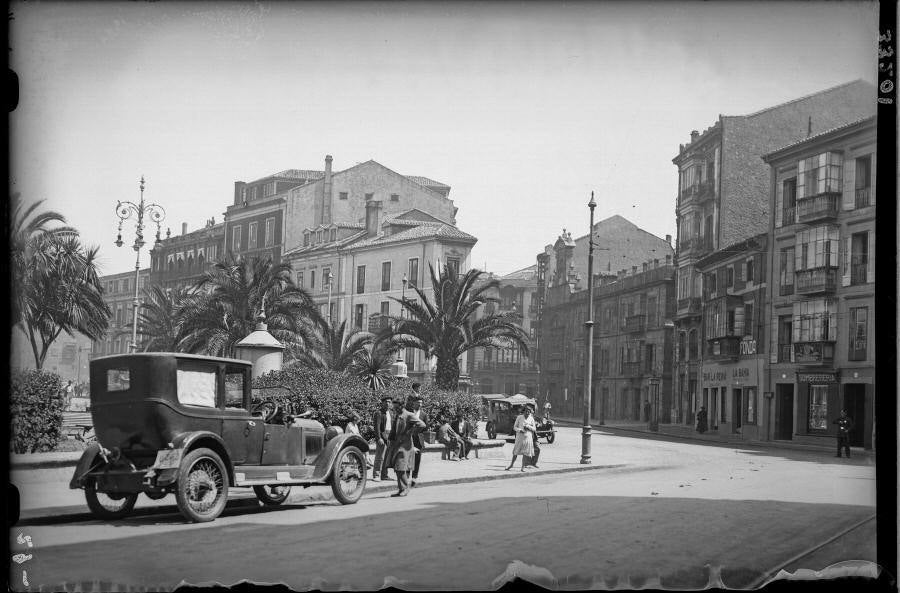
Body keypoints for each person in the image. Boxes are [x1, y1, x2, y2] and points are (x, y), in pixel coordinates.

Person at [386, 398, 426, 496]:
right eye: (394, 408)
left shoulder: (409, 415)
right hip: (396, 445)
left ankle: (405, 488)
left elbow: (422, 424)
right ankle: (401, 489)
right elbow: (394, 430)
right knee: (397, 468)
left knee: (400, 467)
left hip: (405, 446)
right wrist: (390, 441)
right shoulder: (397, 415)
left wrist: (411, 431)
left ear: (401, 406)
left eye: (396, 407)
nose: (395, 409)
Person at [408, 387, 429, 486]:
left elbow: (426, 427)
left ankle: (414, 477)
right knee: (408, 457)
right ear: (414, 403)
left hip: (418, 439)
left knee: (417, 458)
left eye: (421, 403)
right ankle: (406, 476)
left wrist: (419, 429)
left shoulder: (424, 415)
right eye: (418, 403)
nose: (420, 405)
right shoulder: (410, 413)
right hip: (409, 438)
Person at [505, 406, 536, 472]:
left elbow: (534, 429)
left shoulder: (531, 418)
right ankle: (511, 464)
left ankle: (522, 467)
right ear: (524, 411)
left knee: (525, 453)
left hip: (528, 437)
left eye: (528, 411)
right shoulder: (519, 417)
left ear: (530, 412)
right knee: (516, 451)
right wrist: (520, 430)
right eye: (526, 411)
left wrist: (528, 427)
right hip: (520, 437)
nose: (527, 413)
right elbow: (514, 427)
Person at [372, 396, 393, 481]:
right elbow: (376, 427)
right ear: (382, 403)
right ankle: (376, 475)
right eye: (386, 402)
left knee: (387, 458)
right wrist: (378, 438)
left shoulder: (391, 413)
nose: (388, 403)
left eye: (389, 402)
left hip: (390, 436)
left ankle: (384, 475)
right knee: (379, 457)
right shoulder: (379, 413)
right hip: (382, 435)